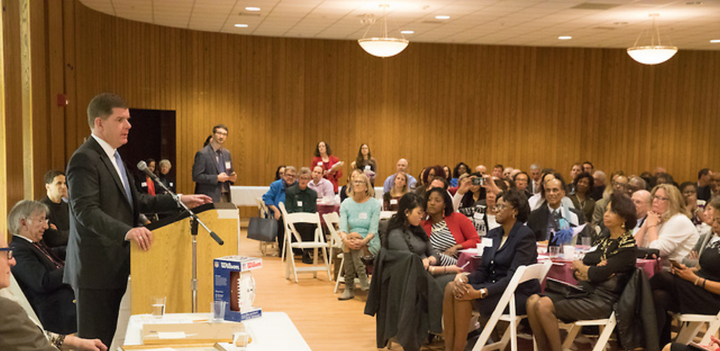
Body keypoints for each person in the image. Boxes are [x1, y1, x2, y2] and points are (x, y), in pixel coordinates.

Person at [64, 93, 211, 346]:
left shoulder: (115, 157)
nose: (129, 125)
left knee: (105, 340)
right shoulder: (84, 159)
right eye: (120, 119)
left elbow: (138, 201)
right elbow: (85, 211)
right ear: (99, 123)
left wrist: (179, 200)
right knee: (93, 342)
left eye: (128, 119)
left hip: (114, 265)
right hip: (95, 269)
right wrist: (127, 231)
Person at [527, 192, 638, 351]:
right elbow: (584, 264)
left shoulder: (628, 247)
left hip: (604, 301)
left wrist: (589, 270)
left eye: (612, 211)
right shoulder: (605, 239)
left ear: (624, 218)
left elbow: (598, 272)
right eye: (606, 210)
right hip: (586, 292)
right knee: (532, 301)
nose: (606, 214)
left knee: (544, 305)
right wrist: (589, 269)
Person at [443, 189, 538, 351]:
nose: (496, 209)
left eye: (502, 206)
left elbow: (512, 278)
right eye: (496, 206)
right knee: (452, 286)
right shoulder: (493, 234)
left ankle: (458, 347)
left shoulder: (525, 236)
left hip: (515, 294)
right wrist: (467, 279)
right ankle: (449, 347)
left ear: (514, 211)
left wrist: (481, 292)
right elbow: (483, 270)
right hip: (494, 287)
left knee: (464, 295)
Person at [0, 235, 107, 351]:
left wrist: (77, 342)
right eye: (7, 253)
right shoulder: (5, 308)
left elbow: (36, 334)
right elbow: (43, 282)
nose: (13, 261)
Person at [651, 198, 720, 346]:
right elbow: (705, 268)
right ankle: (658, 346)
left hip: (711, 298)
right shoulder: (715, 240)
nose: (714, 225)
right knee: (658, 297)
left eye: (719, 222)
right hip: (697, 288)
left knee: (661, 276)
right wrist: (689, 270)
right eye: (714, 220)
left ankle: (630, 311)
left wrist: (695, 279)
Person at [9, 200, 76, 334]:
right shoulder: (18, 250)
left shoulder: (33, 244)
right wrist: (73, 266)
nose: (46, 226)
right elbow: (42, 282)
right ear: (23, 223)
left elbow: (56, 253)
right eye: (41, 220)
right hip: (55, 317)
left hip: (65, 309)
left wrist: (77, 251)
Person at [384, 193, 462, 290]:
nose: (421, 217)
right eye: (419, 213)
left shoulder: (417, 229)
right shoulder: (395, 235)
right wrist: (445, 269)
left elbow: (434, 254)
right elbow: (410, 267)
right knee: (460, 280)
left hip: (428, 273)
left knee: (464, 278)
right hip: (413, 281)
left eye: (423, 214)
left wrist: (428, 260)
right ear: (407, 212)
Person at [338, 173, 381, 300]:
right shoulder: (346, 203)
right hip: (350, 241)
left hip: (370, 241)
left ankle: (349, 287)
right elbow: (342, 228)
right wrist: (346, 239)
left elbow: (373, 230)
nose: (356, 183)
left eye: (360, 181)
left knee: (354, 243)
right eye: (354, 181)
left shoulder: (374, 204)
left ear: (366, 187)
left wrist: (362, 241)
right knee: (352, 240)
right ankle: (364, 281)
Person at [634, 184, 699, 268]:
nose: (655, 201)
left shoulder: (679, 220)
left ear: (672, 202)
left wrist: (651, 226)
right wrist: (646, 224)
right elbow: (633, 248)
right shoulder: (654, 218)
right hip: (662, 269)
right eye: (655, 197)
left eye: (661, 198)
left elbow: (656, 251)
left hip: (682, 270)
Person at [422, 187, 479, 266]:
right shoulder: (423, 225)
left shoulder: (458, 218)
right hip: (433, 264)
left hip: (458, 264)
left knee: (435, 257)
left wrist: (457, 247)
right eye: (429, 200)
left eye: (437, 200)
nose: (432, 203)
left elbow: (475, 241)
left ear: (444, 205)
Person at [527, 178, 588, 244]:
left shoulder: (573, 215)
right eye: (548, 190)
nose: (551, 193)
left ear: (563, 193)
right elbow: (528, 240)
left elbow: (582, 241)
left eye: (555, 190)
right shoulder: (534, 215)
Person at [192, 124, 237, 203]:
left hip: (225, 195)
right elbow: (196, 176)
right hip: (209, 197)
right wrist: (216, 178)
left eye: (224, 134)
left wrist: (232, 178)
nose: (221, 136)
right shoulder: (203, 153)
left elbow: (229, 171)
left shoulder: (227, 153)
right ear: (213, 135)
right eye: (219, 133)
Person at [285, 167, 318, 264]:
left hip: (308, 220)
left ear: (309, 180)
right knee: (306, 227)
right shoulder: (290, 192)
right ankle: (306, 252)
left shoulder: (312, 194)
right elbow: (289, 209)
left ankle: (318, 251)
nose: (303, 180)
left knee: (317, 228)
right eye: (302, 178)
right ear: (298, 179)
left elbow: (312, 210)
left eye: (306, 178)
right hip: (294, 221)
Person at [263, 166, 298, 255]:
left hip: (294, 213)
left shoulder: (298, 185)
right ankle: (283, 248)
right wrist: (276, 210)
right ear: (284, 176)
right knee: (282, 221)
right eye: (288, 175)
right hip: (279, 212)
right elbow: (267, 198)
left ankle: (297, 248)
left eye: (293, 176)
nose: (290, 177)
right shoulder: (276, 185)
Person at [40, 170, 70, 249]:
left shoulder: (68, 207)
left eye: (65, 183)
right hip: (53, 253)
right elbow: (53, 239)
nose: (63, 186)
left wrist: (60, 233)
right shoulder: (41, 208)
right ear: (48, 186)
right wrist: (70, 233)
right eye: (59, 183)